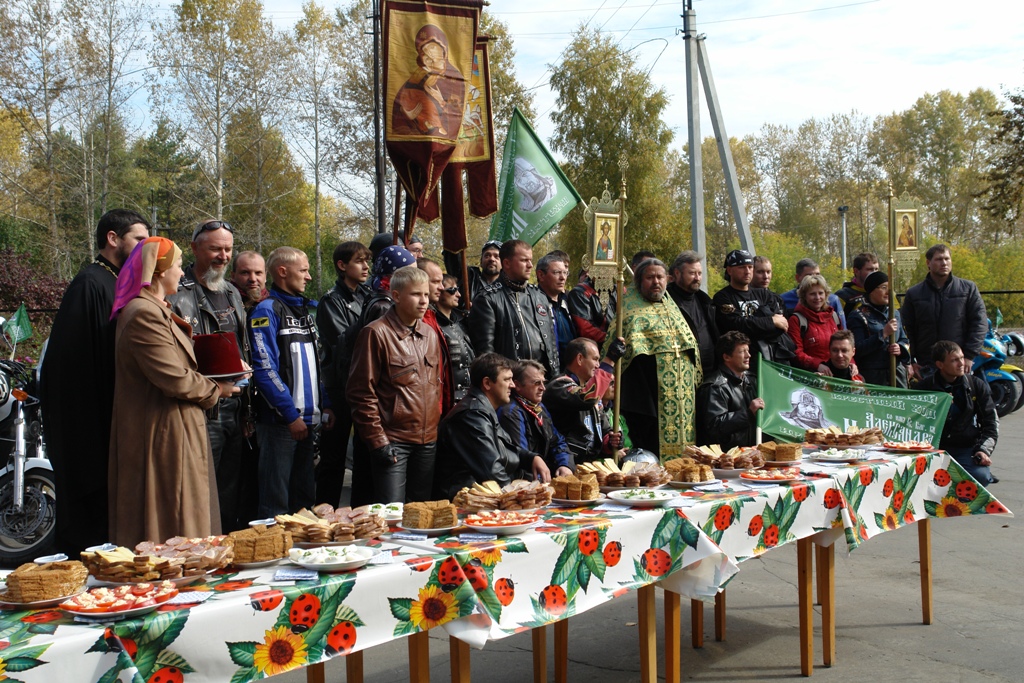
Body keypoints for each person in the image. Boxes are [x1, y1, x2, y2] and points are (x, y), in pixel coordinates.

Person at [108, 237, 240, 547]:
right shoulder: (144, 313)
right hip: (162, 432)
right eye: (178, 266)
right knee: (172, 517)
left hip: (175, 427)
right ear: (158, 271)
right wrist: (218, 389)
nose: (182, 273)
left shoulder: (156, 310)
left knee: (185, 512)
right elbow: (174, 378)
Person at [41, 209, 150, 554]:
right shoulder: (90, 283)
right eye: (139, 240)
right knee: (90, 523)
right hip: (89, 426)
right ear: (112, 238)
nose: (145, 248)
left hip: (113, 417)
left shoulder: (118, 281)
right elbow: (72, 368)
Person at [168, 219, 251, 532]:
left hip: (235, 404)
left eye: (228, 249)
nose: (224, 256)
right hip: (202, 407)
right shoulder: (177, 294)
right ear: (194, 248)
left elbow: (241, 344)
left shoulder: (231, 291)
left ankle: (225, 545)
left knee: (230, 490)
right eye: (216, 248)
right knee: (202, 489)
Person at [249, 247, 334, 517]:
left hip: (307, 421)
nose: (308, 277)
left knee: (303, 502)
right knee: (275, 504)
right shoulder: (266, 310)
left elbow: (314, 364)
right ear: (283, 272)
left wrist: (326, 404)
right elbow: (264, 369)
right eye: (303, 270)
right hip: (281, 424)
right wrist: (289, 414)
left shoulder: (305, 310)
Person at [348, 266, 441, 503]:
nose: (424, 301)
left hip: (428, 442)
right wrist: (378, 442)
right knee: (392, 514)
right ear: (396, 295)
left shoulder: (430, 334)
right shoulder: (375, 333)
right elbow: (361, 393)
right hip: (393, 441)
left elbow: (436, 386)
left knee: (421, 513)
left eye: (426, 294)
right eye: (416, 294)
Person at [335, 245, 416, 507]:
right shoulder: (384, 308)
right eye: (411, 273)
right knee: (379, 499)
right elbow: (376, 375)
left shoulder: (376, 300)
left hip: (381, 416)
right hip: (384, 414)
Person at [614, 258, 702, 458]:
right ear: (639, 281)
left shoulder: (673, 309)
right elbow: (623, 360)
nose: (656, 282)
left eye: (660, 277)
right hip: (646, 399)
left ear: (667, 279)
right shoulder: (629, 312)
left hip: (681, 398)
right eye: (650, 277)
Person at [436, 354, 547, 498]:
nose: (512, 385)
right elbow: (491, 471)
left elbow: (504, 448)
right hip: (465, 501)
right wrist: (515, 498)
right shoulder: (472, 414)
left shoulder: (483, 409)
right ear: (487, 383)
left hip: (479, 496)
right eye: (507, 379)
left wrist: (531, 458)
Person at [315, 240, 372, 507]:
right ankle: (324, 514)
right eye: (359, 261)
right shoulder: (331, 301)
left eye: (367, 261)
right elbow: (342, 343)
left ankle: (361, 515)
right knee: (333, 459)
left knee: (364, 456)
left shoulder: (367, 296)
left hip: (363, 387)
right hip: (338, 389)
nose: (366, 267)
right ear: (342, 265)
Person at [468, 239, 558, 378]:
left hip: (543, 380)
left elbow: (551, 345)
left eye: (530, 260)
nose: (530, 265)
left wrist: (555, 378)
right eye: (524, 260)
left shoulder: (539, 296)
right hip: (511, 382)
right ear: (507, 263)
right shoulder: (487, 299)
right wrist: (506, 381)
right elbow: (486, 355)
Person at [917, 341, 998, 485]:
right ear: (940, 364)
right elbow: (913, 423)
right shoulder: (924, 388)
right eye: (954, 360)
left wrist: (983, 450)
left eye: (961, 358)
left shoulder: (976, 385)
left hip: (965, 447)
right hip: (933, 448)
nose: (961, 363)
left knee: (980, 477)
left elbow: (991, 423)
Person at [901, 244, 986, 380]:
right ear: (928, 263)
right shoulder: (914, 293)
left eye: (947, 259)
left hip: (958, 362)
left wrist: (969, 355)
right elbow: (906, 329)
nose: (944, 263)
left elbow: (979, 324)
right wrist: (911, 361)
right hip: (926, 364)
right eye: (939, 259)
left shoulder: (968, 289)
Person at [545, 337, 625, 465]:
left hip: (588, 465)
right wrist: (610, 360)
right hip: (563, 465)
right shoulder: (558, 385)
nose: (598, 365)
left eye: (599, 360)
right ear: (579, 359)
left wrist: (612, 441)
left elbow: (605, 432)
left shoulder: (593, 394)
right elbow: (586, 398)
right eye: (595, 359)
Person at [713, 249, 794, 372]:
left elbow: (781, 327)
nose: (747, 271)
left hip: (771, 359)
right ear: (729, 270)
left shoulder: (764, 294)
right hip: (740, 363)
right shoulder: (723, 297)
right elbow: (735, 326)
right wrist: (770, 322)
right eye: (742, 267)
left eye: (750, 267)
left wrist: (752, 327)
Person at [498, 360, 572, 478]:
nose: (543, 388)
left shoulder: (539, 407)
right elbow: (522, 459)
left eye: (544, 382)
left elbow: (557, 441)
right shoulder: (511, 412)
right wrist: (543, 482)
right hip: (525, 483)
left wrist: (565, 465)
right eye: (537, 383)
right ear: (517, 385)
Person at [391, 24, 464, 140]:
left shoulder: (455, 80)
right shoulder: (416, 77)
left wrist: (442, 102)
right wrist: (407, 114)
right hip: (419, 137)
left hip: (446, 140)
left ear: (444, 52)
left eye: (435, 55)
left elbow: (460, 114)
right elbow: (398, 109)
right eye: (427, 57)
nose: (432, 61)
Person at [696, 331, 762, 450]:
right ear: (727, 357)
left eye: (748, 350)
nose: (748, 355)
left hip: (752, 451)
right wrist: (748, 413)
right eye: (742, 352)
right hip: (728, 456)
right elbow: (715, 426)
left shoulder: (753, 380)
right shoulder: (715, 386)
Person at [848, 271, 911, 387]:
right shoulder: (858, 316)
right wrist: (883, 334)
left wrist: (900, 348)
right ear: (872, 290)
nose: (888, 292)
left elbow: (904, 340)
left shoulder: (895, 314)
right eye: (883, 288)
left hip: (896, 374)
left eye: (890, 288)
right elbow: (857, 348)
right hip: (873, 376)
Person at [666, 251, 718, 377]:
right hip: (682, 373)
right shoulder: (666, 301)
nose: (697, 278)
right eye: (692, 273)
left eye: (699, 273)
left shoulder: (705, 301)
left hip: (710, 372)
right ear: (677, 273)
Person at [787, 274, 842, 373]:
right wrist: (817, 365)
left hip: (836, 373)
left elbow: (845, 345)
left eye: (820, 293)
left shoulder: (833, 316)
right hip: (811, 374)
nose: (817, 297)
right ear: (804, 296)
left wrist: (852, 363)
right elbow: (796, 352)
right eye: (812, 294)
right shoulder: (796, 320)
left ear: (826, 294)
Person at [417, 258, 452, 412]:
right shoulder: (415, 321)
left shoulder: (430, 316)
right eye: (436, 282)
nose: (442, 287)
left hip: (435, 409)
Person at [434, 273, 475, 407]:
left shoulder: (460, 323)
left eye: (458, 290)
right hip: (448, 399)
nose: (458, 294)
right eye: (452, 290)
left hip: (469, 397)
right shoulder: (433, 326)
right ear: (439, 292)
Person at [536, 252, 577, 371]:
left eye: (565, 273)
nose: (562, 278)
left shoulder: (568, 300)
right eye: (556, 272)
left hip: (570, 370)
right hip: (545, 370)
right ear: (541, 275)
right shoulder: (532, 303)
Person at [780, 258, 846, 328]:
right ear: (797, 278)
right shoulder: (783, 300)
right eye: (809, 275)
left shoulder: (832, 300)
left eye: (817, 275)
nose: (814, 278)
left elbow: (843, 329)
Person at [567, 271, 609, 345]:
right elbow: (585, 330)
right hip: (594, 347)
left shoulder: (616, 290)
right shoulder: (580, 292)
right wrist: (610, 338)